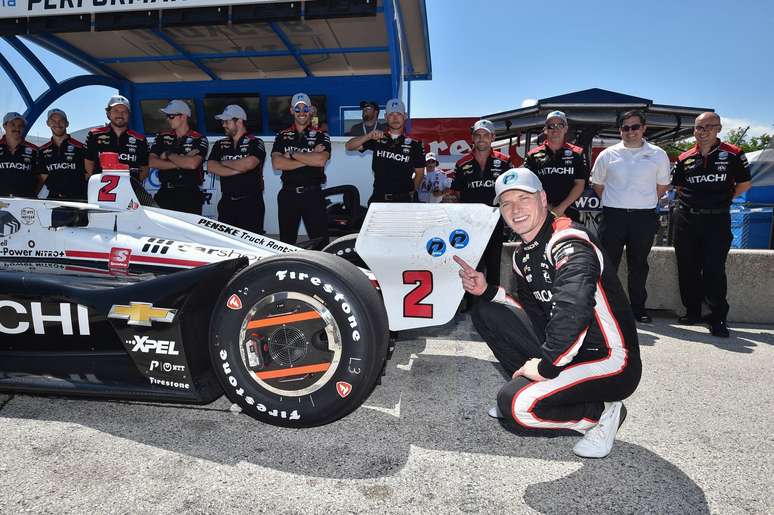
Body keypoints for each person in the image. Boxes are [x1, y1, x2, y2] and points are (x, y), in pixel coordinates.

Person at [456, 167, 641, 458]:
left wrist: (545, 366)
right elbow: (534, 315)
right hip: (570, 352)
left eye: (523, 198)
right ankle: (534, 386)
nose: (515, 209)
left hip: (611, 359)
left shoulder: (569, 239)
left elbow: (574, 308)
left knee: (515, 406)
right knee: (486, 311)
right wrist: (488, 291)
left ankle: (601, 413)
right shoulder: (522, 254)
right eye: (506, 203)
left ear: (543, 199)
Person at [671, 112, 752, 337]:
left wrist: (722, 200)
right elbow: (679, 187)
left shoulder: (733, 154)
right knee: (687, 267)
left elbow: (744, 184)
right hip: (687, 218)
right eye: (698, 127)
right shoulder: (685, 157)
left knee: (714, 270)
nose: (703, 131)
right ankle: (692, 312)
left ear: (718, 128)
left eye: (708, 126)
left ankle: (716, 318)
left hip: (716, 219)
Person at [590, 110, 671, 323]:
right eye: (625, 128)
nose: (630, 132)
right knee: (607, 265)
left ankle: (638, 309)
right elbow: (598, 185)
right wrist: (617, 202)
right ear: (620, 131)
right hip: (613, 216)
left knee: (639, 265)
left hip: (643, 218)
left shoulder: (658, 154)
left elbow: (662, 186)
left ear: (644, 128)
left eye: (635, 127)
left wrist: (640, 202)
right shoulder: (607, 154)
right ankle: (606, 309)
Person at [451, 119, 511, 286]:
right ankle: (471, 305)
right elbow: (455, 193)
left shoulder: (505, 161)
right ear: (472, 138)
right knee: (472, 266)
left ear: (493, 137)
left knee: (493, 266)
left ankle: (492, 304)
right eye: (478, 135)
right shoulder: (462, 164)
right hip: (470, 225)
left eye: (486, 135)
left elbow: (510, 192)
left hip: (495, 223)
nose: (481, 138)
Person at [271, 93, 331, 245]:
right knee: (285, 244)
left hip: (313, 195)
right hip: (287, 195)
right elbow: (277, 164)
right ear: (292, 111)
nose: (302, 112)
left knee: (321, 244)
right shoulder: (282, 136)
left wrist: (291, 154)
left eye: (305, 108)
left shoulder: (321, 135)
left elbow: (321, 160)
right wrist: (309, 157)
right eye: (298, 109)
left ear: (311, 110)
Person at [346, 98, 425, 204]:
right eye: (391, 114)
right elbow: (349, 146)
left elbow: (419, 174)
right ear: (386, 117)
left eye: (399, 114)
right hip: (378, 199)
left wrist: (410, 193)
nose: (395, 118)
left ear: (405, 117)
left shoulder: (415, 145)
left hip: (404, 201)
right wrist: (369, 136)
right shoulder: (377, 138)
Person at [206, 104, 266, 233]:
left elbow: (249, 164)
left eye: (226, 121)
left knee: (251, 246)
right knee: (226, 246)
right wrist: (238, 168)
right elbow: (211, 166)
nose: (223, 125)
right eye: (223, 121)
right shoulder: (219, 144)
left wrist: (223, 162)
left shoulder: (256, 142)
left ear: (239, 121)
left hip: (250, 204)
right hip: (226, 203)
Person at [524, 111, 588, 221]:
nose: (555, 129)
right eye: (551, 126)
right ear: (545, 130)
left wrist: (560, 209)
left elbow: (580, 185)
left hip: (569, 211)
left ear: (566, 128)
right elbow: (530, 186)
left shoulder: (577, 153)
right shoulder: (533, 155)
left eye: (560, 125)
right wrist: (549, 208)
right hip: (541, 211)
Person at [149, 100, 209, 215]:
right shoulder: (162, 136)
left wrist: (168, 155)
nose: (167, 119)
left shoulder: (199, 138)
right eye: (167, 116)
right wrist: (182, 161)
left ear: (183, 117)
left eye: (171, 116)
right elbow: (151, 162)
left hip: (189, 194)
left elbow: (192, 164)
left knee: (188, 232)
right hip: (165, 193)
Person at [85, 95, 149, 182]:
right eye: (116, 110)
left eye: (124, 111)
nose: (120, 114)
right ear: (108, 113)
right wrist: (98, 183)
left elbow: (145, 168)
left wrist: (132, 186)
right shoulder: (94, 135)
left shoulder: (140, 139)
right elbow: (88, 162)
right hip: (101, 190)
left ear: (129, 114)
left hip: (130, 192)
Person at [38, 109, 87, 201]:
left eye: (61, 120)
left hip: (78, 199)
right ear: (48, 123)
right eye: (53, 121)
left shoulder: (80, 148)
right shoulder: (42, 150)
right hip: (54, 200)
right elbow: (43, 176)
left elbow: (87, 174)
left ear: (67, 123)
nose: (57, 124)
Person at [0, 112, 40, 198]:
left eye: (20, 126)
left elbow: (41, 177)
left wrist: (31, 195)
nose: (17, 128)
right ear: (4, 126)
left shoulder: (35, 150)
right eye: (13, 124)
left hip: (26, 203)